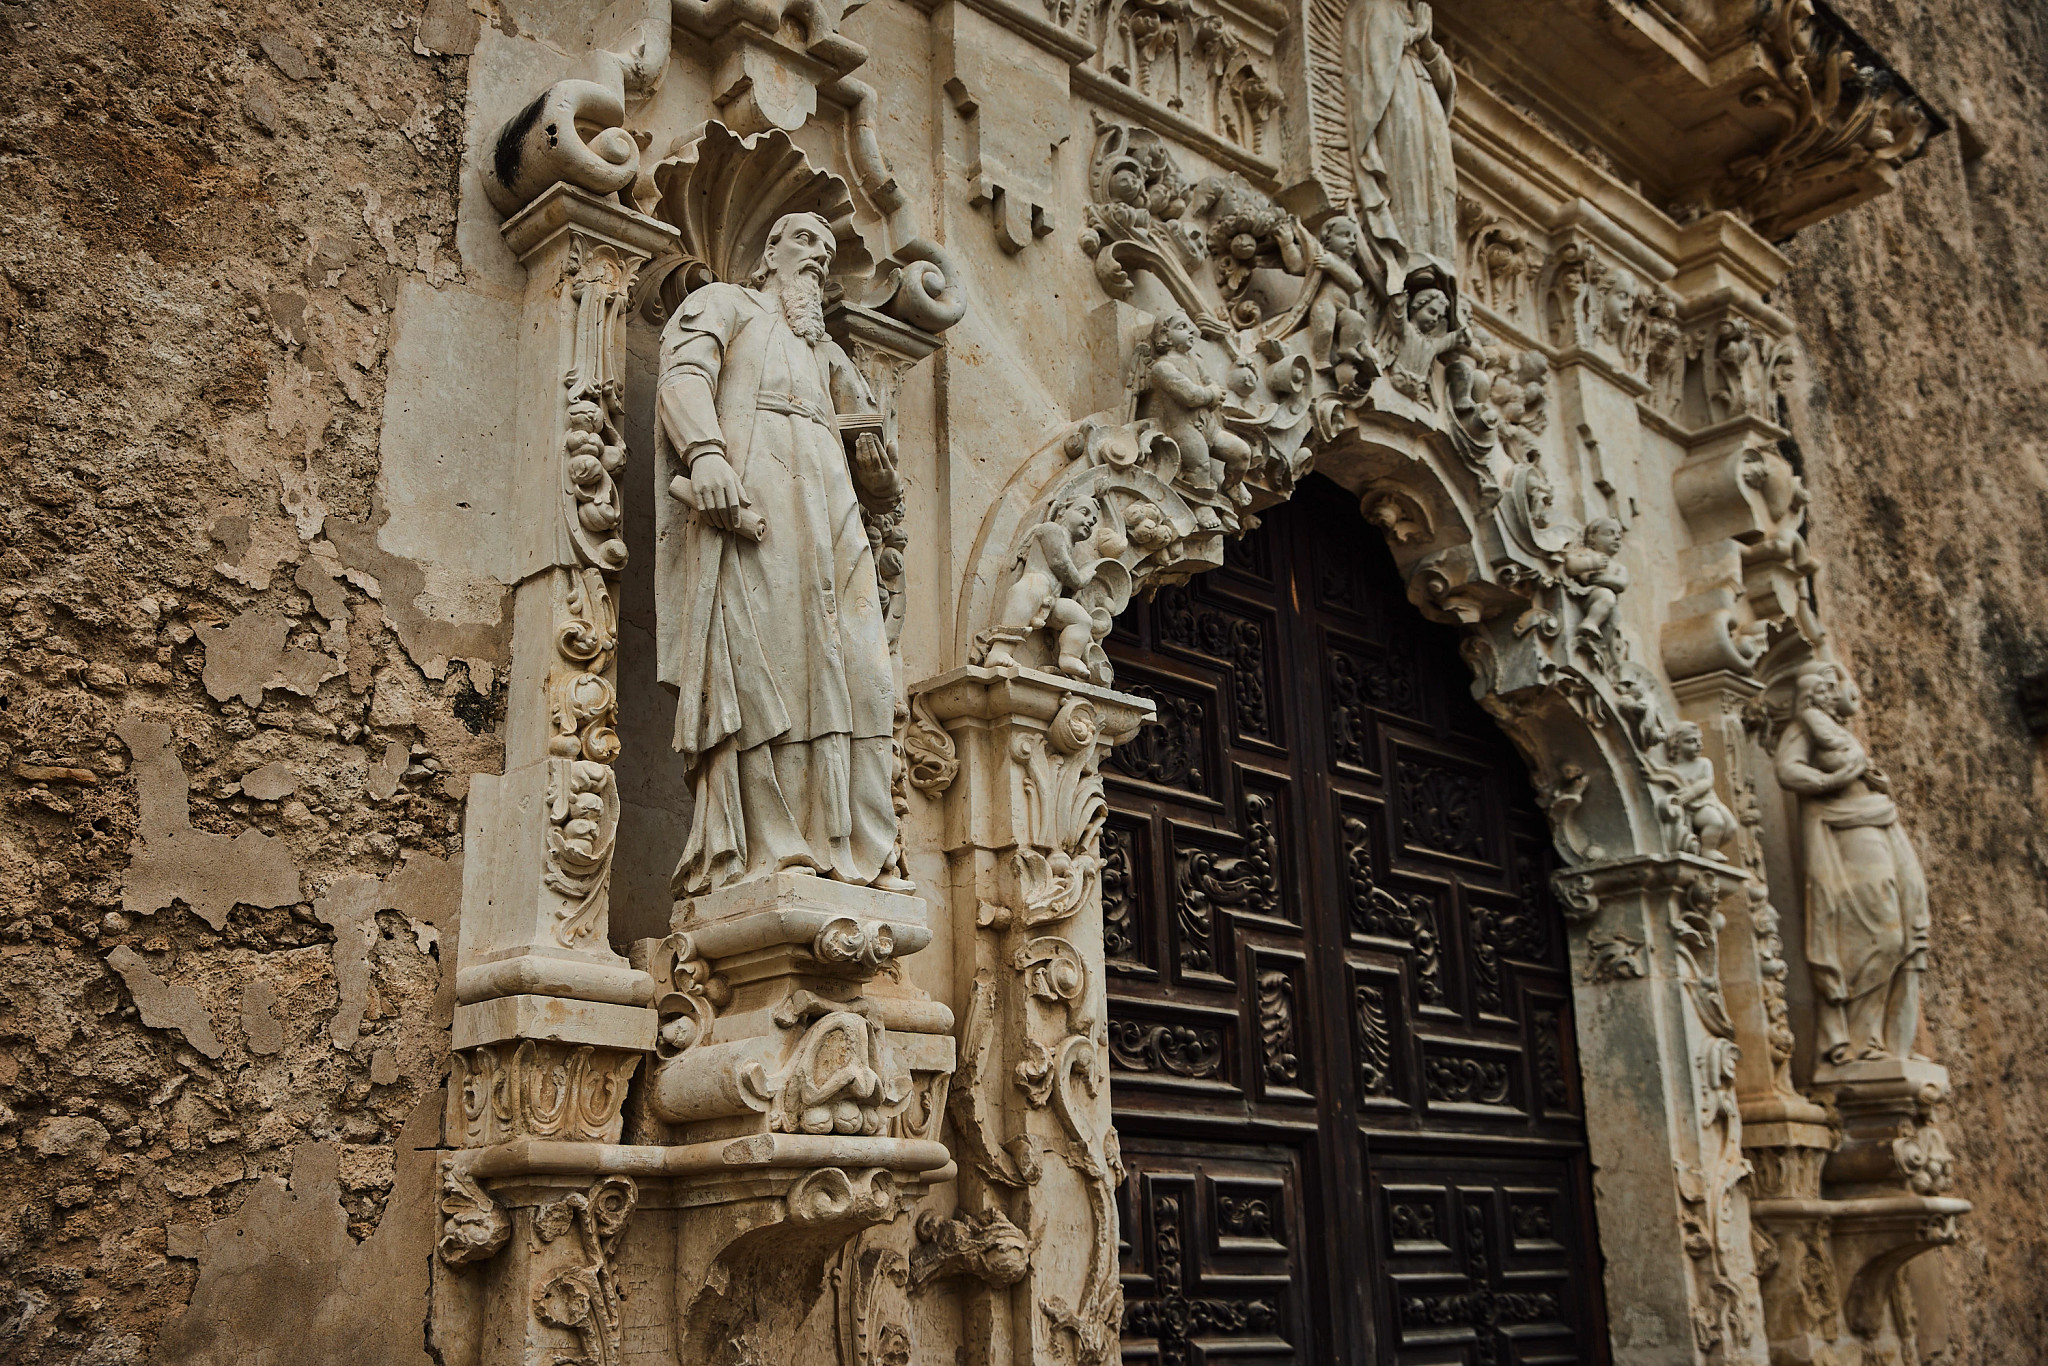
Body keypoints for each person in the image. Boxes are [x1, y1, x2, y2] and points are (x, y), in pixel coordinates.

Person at [653, 212, 909, 896]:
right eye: (804, 240)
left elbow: (875, 453)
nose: (819, 255)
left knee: (860, 665)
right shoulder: (726, 304)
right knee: (768, 658)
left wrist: (879, 475)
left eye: (828, 247)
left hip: (833, 510)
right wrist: (705, 453)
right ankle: (769, 846)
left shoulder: (827, 354)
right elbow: (683, 376)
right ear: (769, 253)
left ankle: (861, 847)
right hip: (758, 492)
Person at [1774, 662, 1930, 1064]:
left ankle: (1892, 1043)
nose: (1838, 692)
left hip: (1879, 821)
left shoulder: (1837, 730)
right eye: (1828, 685)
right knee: (1882, 934)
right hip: (1848, 830)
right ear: (1814, 692)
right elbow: (1787, 770)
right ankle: (1861, 1042)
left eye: (1836, 684)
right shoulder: (1805, 725)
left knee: (1910, 926)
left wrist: (1871, 779)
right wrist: (1832, 781)